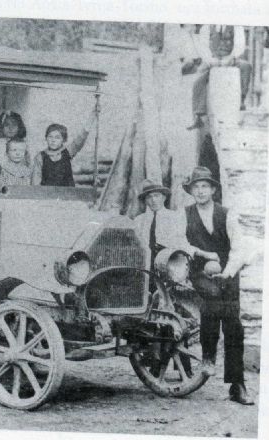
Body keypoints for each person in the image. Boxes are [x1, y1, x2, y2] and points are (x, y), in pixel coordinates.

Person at [183, 166, 254, 405]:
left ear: (213, 189)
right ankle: (208, 356)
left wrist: (228, 272)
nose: (200, 191)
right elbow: (179, 242)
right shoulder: (185, 214)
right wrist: (202, 253)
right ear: (191, 190)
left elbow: (239, 248)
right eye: (196, 187)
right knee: (212, 299)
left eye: (205, 186)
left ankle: (237, 385)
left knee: (233, 326)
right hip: (200, 272)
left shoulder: (227, 214)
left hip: (227, 272)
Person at [133, 180, 218, 278]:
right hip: (144, 266)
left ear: (164, 198)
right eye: (149, 197)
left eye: (157, 196)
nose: (153, 200)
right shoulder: (139, 220)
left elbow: (182, 244)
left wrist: (204, 254)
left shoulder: (175, 217)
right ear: (145, 200)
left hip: (167, 265)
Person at [187, 25, 252, 130]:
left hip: (230, 58)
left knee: (246, 66)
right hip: (213, 59)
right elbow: (203, 47)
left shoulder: (236, 26)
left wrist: (231, 57)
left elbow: (240, 45)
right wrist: (210, 60)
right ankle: (199, 115)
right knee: (198, 80)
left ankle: (241, 100)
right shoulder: (207, 27)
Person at [31, 108, 97, 186]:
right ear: (46, 138)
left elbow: (81, 139)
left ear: (63, 140)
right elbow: (35, 182)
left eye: (57, 137)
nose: (53, 140)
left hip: (68, 192)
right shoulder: (40, 157)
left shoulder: (67, 152)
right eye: (50, 137)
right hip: (47, 193)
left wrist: (93, 116)